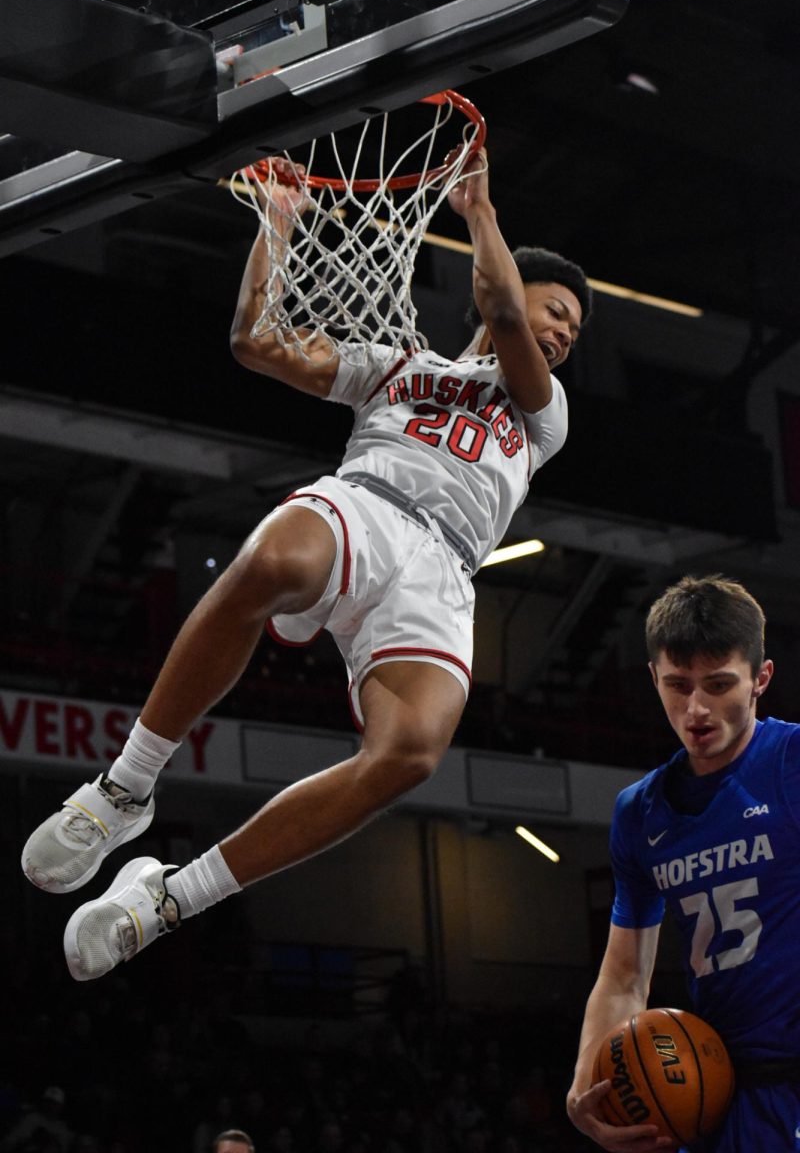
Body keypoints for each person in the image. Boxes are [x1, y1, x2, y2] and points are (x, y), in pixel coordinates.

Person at [20, 147, 589, 981]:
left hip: (446, 569)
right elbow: (257, 342)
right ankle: (125, 789)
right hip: (370, 508)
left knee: (410, 756)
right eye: (561, 310)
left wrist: (481, 219)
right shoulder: (402, 368)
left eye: (576, 329)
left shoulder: (544, 417)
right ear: (518, 282)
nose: (567, 331)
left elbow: (505, 318)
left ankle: (170, 899)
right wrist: (279, 228)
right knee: (274, 559)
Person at [566, 574, 800, 1152]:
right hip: (716, 1093)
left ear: (759, 680)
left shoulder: (792, 763)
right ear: (653, 679)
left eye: (720, 685)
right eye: (678, 685)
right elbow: (624, 975)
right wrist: (583, 1086)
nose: (696, 708)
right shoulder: (639, 814)